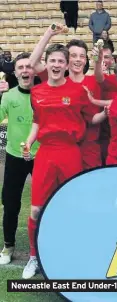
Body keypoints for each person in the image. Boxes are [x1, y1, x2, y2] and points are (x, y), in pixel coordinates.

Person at [22, 44, 98, 279]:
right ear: (48, 63)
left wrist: (111, 111)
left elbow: (92, 117)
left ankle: (74, 254)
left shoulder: (78, 91)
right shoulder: (37, 92)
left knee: (73, 206)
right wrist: (28, 141)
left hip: (70, 152)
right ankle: (34, 256)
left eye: (60, 62)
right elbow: (37, 120)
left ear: (66, 65)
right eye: (52, 61)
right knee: (36, 209)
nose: (56, 65)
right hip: (45, 153)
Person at [30, 24, 104, 170]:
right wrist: (49, 33)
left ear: (86, 59)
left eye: (82, 56)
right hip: (64, 149)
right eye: (73, 56)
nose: (78, 60)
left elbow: (100, 77)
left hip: (90, 149)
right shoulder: (55, 80)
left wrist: (98, 61)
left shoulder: (94, 81)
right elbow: (33, 63)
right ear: (65, 60)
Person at [0, 53, 39, 265]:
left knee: (44, 203)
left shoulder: (42, 94)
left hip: (41, 157)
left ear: (34, 71)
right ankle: (8, 245)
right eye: (20, 67)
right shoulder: (9, 96)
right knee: (10, 202)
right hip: (15, 156)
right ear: (15, 73)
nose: (25, 70)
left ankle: (43, 245)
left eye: (28, 66)